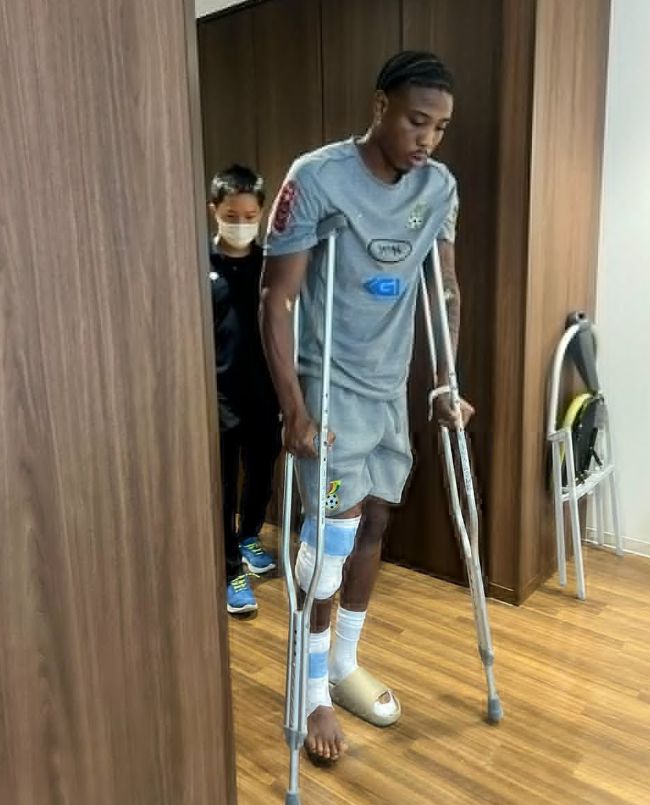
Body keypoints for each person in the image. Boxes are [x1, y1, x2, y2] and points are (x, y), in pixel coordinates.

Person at [260, 51, 475, 760]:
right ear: (381, 106)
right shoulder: (316, 178)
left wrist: (444, 380)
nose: (427, 139)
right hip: (328, 389)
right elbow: (277, 298)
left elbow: (445, 291)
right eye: (416, 121)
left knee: (377, 519)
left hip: (388, 390)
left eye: (440, 128)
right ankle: (309, 688)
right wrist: (294, 409)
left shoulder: (439, 189)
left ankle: (343, 662)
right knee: (333, 539)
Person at [208, 164, 281, 615]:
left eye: (250, 216)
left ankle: (249, 534)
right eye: (231, 216)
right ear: (214, 210)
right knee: (221, 487)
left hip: (266, 392)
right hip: (216, 396)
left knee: (261, 474)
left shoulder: (271, 265)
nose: (241, 224)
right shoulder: (199, 264)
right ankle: (230, 567)